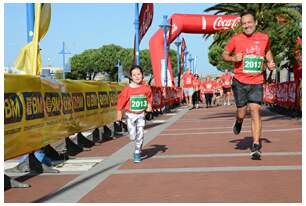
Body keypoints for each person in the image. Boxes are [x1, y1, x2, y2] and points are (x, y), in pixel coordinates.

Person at [222, 10, 276, 159]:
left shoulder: (264, 38)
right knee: (242, 112)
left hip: (257, 81)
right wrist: (233, 58)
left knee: (255, 110)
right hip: (240, 81)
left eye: (249, 22)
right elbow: (224, 54)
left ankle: (256, 145)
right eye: (244, 23)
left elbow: (267, 51)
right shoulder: (236, 39)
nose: (246, 26)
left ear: (255, 23)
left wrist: (270, 62)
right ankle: (238, 122)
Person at [116, 65, 153, 163]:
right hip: (130, 115)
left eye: (139, 74)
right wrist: (119, 114)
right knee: (132, 136)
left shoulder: (146, 88)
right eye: (134, 75)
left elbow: (149, 98)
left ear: (142, 75)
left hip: (141, 114)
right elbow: (121, 102)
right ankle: (135, 141)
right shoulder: (127, 90)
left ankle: (137, 152)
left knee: (140, 133)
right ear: (131, 77)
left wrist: (149, 107)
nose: (137, 76)